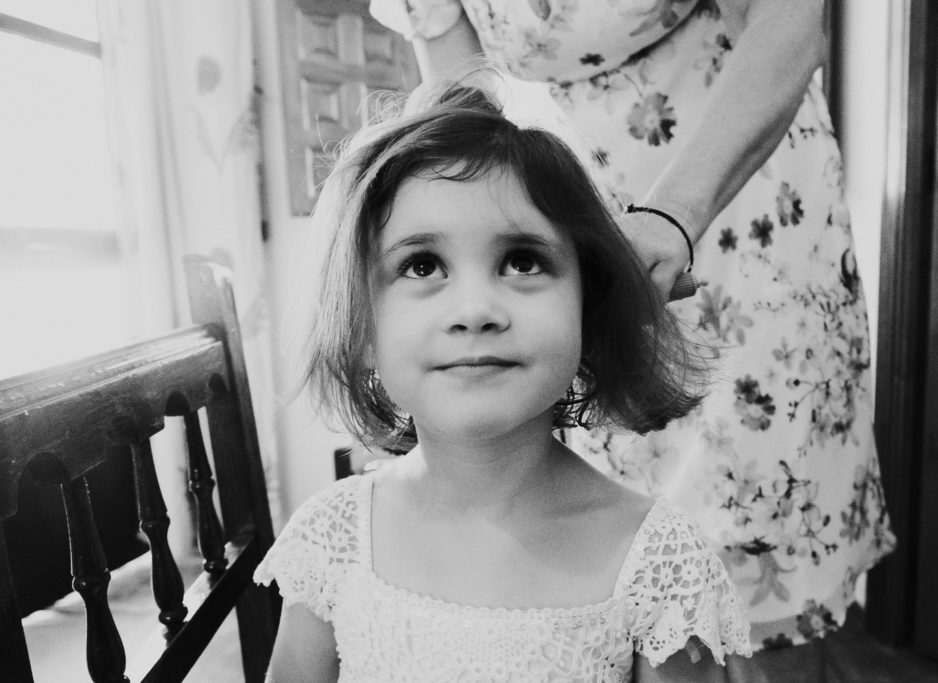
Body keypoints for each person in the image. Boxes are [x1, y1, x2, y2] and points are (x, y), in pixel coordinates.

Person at [368, 0, 896, 677]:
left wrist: (675, 215)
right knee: (621, 565)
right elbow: (469, 107)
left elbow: (786, 23)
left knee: (761, 560)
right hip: (584, 243)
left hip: (747, 215)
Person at [254, 82, 751, 681]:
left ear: (588, 310)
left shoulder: (660, 567)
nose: (475, 309)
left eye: (522, 261)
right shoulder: (330, 543)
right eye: (422, 265)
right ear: (361, 323)